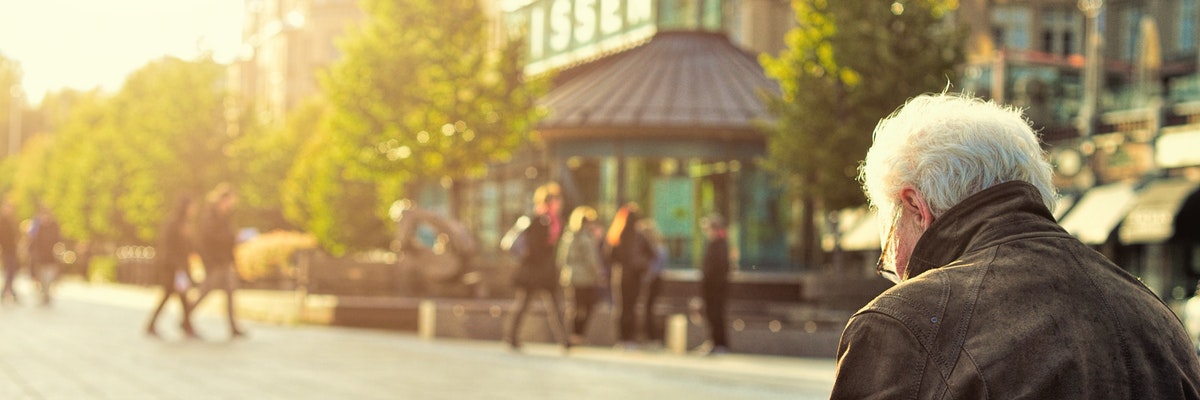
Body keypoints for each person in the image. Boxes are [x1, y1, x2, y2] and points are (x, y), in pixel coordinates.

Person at [832, 93, 1200, 397]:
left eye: (888, 255)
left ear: (915, 207)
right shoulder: (1159, 321)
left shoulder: (901, 325)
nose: (896, 270)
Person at [503, 182, 570, 351]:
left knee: (556, 305)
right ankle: (511, 337)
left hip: (546, 272)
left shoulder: (555, 221)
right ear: (549, 202)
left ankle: (565, 340)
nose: (559, 203)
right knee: (525, 304)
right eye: (556, 200)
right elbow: (535, 248)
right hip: (534, 272)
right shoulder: (539, 221)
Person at [192, 184, 247, 338]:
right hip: (215, 262)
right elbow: (208, 239)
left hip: (224, 261)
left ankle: (233, 327)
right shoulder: (210, 215)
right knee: (206, 291)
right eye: (231, 201)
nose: (232, 205)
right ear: (223, 199)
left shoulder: (225, 216)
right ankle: (186, 316)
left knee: (230, 291)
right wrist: (232, 237)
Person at [145, 196, 200, 339]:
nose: (194, 210)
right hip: (173, 267)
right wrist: (177, 267)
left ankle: (185, 325)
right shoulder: (174, 224)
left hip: (180, 267)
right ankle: (186, 326)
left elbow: (187, 246)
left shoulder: (185, 223)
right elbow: (169, 247)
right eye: (192, 206)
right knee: (173, 296)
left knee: (179, 297)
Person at [605, 203, 656, 350]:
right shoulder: (639, 235)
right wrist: (641, 265)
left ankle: (623, 338)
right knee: (632, 307)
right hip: (635, 276)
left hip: (621, 275)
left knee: (622, 307)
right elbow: (652, 254)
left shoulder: (617, 234)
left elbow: (609, 256)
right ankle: (630, 338)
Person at [557, 205, 604, 346]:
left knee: (575, 306)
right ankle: (577, 335)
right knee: (586, 306)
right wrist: (599, 273)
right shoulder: (585, 237)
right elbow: (591, 259)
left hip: (570, 277)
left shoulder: (568, 236)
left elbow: (561, 259)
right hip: (585, 278)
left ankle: (572, 335)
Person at [696, 214, 730, 355]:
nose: (707, 232)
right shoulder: (713, 244)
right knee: (711, 314)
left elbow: (719, 269)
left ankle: (719, 343)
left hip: (716, 288)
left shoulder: (720, 245)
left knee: (716, 314)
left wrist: (712, 284)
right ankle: (714, 342)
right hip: (711, 287)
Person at [639, 220, 667, 347]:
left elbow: (656, 267)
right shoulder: (657, 247)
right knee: (648, 308)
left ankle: (653, 337)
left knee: (649, 308)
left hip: (653, 281)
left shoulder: (657, 248)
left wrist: (646, 279)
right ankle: (650, 337)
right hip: (654, 280)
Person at [27, 206, 61, 306]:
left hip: (51, 256)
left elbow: (58, 240)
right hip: (40, 257)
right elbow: (33, 241)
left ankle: (46, 292)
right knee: (41, 277)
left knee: (49, 277)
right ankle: (44, 292)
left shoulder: (54, 226)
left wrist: (58, 249)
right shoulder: (38, 227)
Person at [0, 200, 20, 305]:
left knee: (11, 272)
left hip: (12, 250)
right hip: (6, 250)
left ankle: (8, 292)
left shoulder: (12, 220)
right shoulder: (2, 221)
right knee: (9, 272)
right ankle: (7, 292)